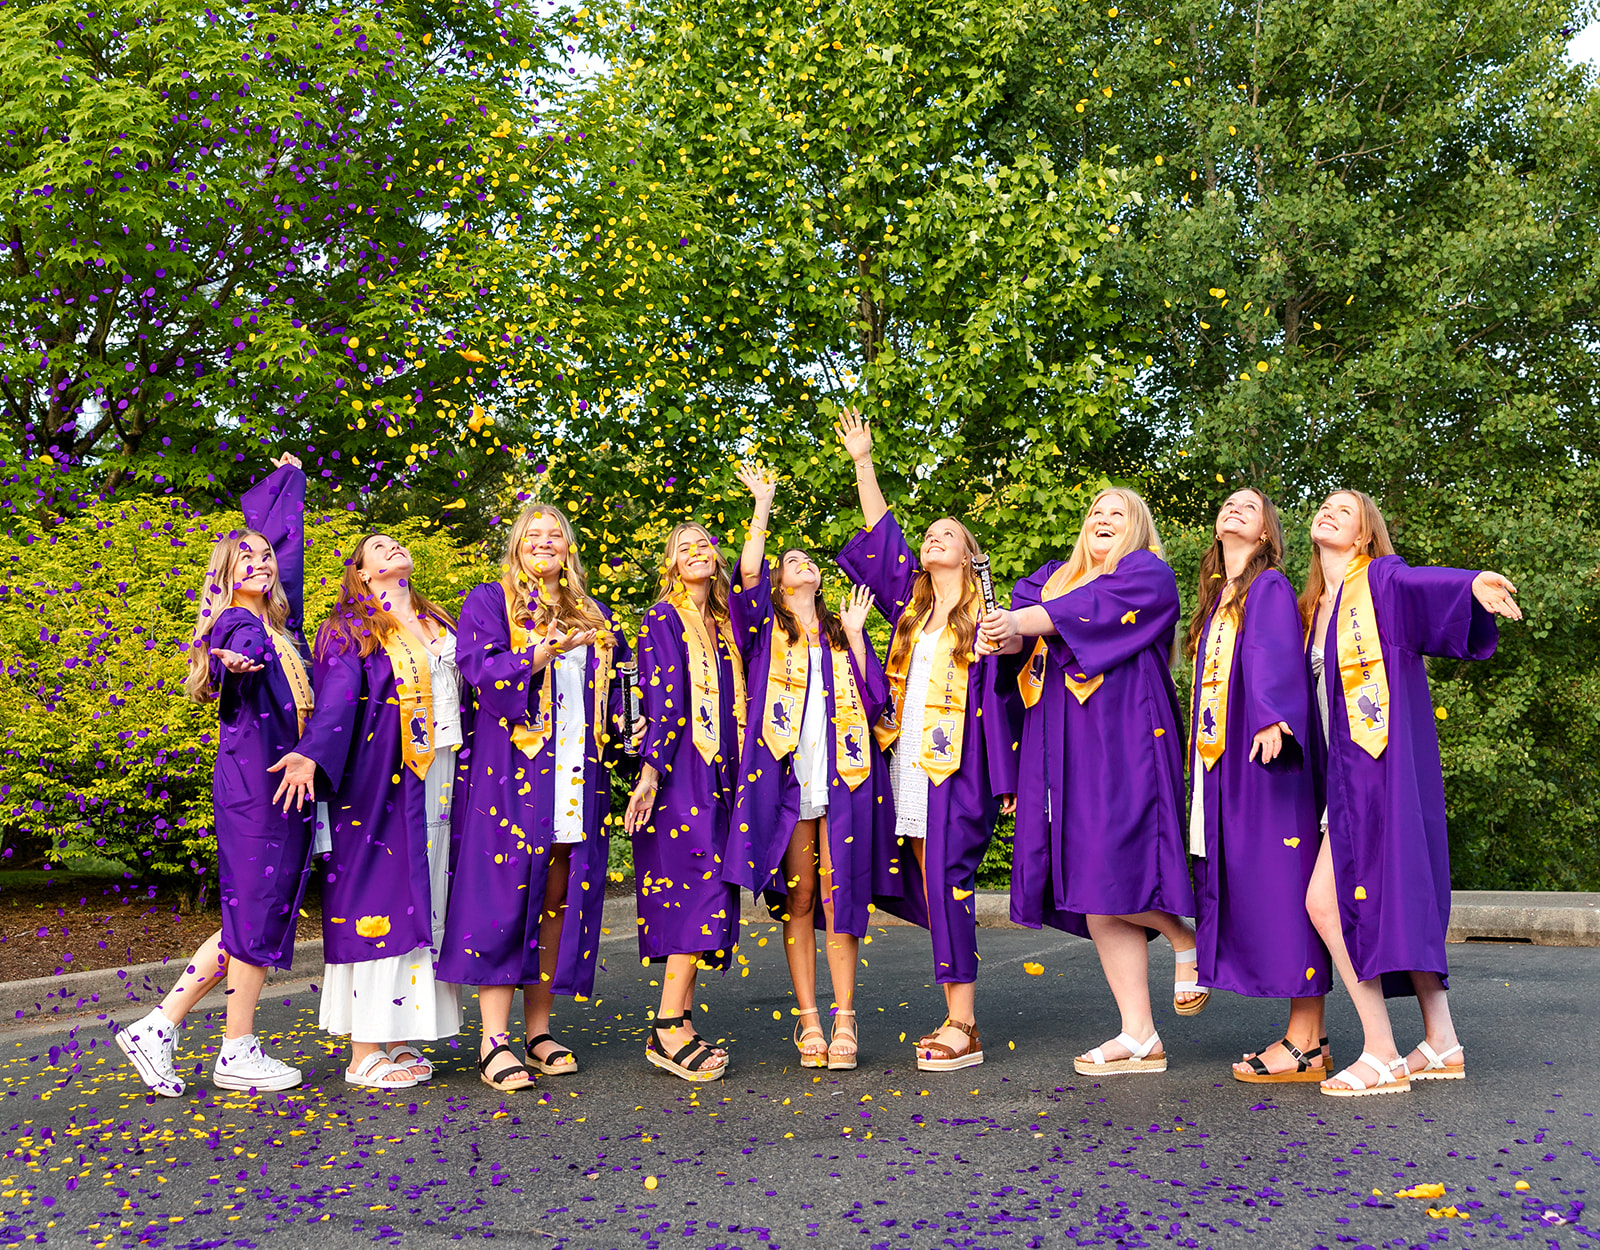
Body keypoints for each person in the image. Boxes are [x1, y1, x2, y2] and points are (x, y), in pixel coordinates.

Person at [1300, 490, 1520, 1097]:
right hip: (1336, 775)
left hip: (1379, 770)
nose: (1328, 512)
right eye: (1323, 506)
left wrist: (1470, 583)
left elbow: (1421, 583)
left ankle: (1381, 1051)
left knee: (1326, 902)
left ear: (1365, 535)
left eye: (1343, 511)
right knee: (1398, 896)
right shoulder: (1313, 606)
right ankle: (1442, 1040)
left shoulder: (1380, 582)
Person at [117, 453, 313, 1095]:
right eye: (243, 561)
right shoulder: (239, 624)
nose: (259, 563)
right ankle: (234, 1049)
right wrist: (225, 659)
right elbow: (229, 654)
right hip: (258, 786)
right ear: (225, 578)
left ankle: (160, 1027)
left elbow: (288, 549)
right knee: (255, 914)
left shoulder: (280, 625)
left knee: (249, 915)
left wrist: (286, 484)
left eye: (263, 557)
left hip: (279, 787)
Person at [983, 487, 1194, 1077]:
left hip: (1126, 737)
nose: (1102, 520)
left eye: (1116, 513)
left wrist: (1020, 621)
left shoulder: (1147, 573)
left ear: (1137, 528)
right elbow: (1017, 635)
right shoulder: (1053, 576)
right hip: (1063, 743)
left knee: (1111, 859)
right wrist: (995, 634)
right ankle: (1139, 1034)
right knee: (1091, 883)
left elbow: (1075, 613)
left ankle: (1183, 938)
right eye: (1095, 513)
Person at [833, 409, 1017, 1073]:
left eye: (949, 535)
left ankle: (962, 1021)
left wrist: (1006, 782)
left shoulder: (985, 617)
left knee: (948, 880)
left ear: (969, 554)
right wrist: (863, 461)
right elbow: (884, 538)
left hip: (958, 769)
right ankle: (955, 992)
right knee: (922, 881)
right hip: (903, 764)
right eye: (930, 534)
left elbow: (1001, 701)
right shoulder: (910, 609)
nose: (934, 540)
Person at [437, 503, 630, 1090]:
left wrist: (627, 725)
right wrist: (534, 657)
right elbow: (481, 671)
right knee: (505, 898)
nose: (544, 543)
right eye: (533, 535)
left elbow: (612, 690)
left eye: (556, 536)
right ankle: (492, 1039)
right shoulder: (490, 601)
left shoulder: (590, 614)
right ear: (517, 546)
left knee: (558, 896)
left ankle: (538, 1030)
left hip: (576, 772)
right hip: (513, 775)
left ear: (568, 549)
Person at [272, 534, 464, 1091]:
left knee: (424, 898)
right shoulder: (350, 626)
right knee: (380, 897)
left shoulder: (439, 622)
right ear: (360, 572)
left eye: (397, 543)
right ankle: (363, 1051)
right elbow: (336, 698)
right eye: (376, 547)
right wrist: (311, 756)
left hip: (443, 776)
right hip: (381, 781)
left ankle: (397, 1032)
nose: (391, 549)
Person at [725, 464, 888, 1071]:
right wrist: (763, 504)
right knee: (797, 903)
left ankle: (845, 1018)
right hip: (790, 785)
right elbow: (746, 573)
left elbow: (877, 706)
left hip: (844, 782)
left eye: (808, 560)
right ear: (779, 581)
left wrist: (858, 634)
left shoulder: (844, 634)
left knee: (840, 898)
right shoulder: (766, 629)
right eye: (790, 560)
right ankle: (809, 1020)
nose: (802, 563)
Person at [1181, 490, 1332, 1083]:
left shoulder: (1267, 587)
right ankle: (1309, 1038)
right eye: (1227, 505)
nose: (1235, 509)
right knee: (1258, 885)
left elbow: (1273, 654)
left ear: (1268, 532)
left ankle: (1304, 1042)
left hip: (1267, 757)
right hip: (1226, 761)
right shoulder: (1218, 599)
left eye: (1251, 506)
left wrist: (1272, 716)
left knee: (1286, 889)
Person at [622, 521, 747, 1082]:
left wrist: (762, 509)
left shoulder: (725, 623)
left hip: (722, 772)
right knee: (695, 892)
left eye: (705, 545)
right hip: (678, 774)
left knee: (714, 889)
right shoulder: (661, 617)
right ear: (671, 564)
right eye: (684, 548)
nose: (697, 553)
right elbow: (662, 699)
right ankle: (668, 1024)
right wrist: (649, 773)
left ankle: (681, 1021)